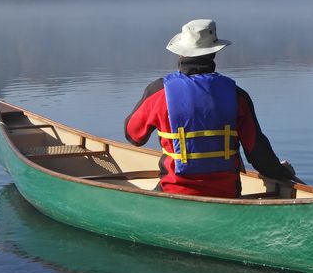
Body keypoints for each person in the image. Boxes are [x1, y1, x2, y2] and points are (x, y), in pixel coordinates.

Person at [124, 19, 296, 198]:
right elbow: (258, 153)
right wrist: (281, 173)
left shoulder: (159, 92)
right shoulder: (237, 96)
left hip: (174, 192)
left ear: (181, 54)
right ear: (213, 53)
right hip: (227, 193)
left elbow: (133, 136)